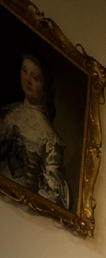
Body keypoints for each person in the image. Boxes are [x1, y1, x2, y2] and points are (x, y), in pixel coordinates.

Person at [0, 53, 70, 210]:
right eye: (24, 71)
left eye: (35, 78)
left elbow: (57, 196)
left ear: (45, 87)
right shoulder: (9, 112)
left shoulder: (48, 136)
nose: (27, 80)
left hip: (19, 209)